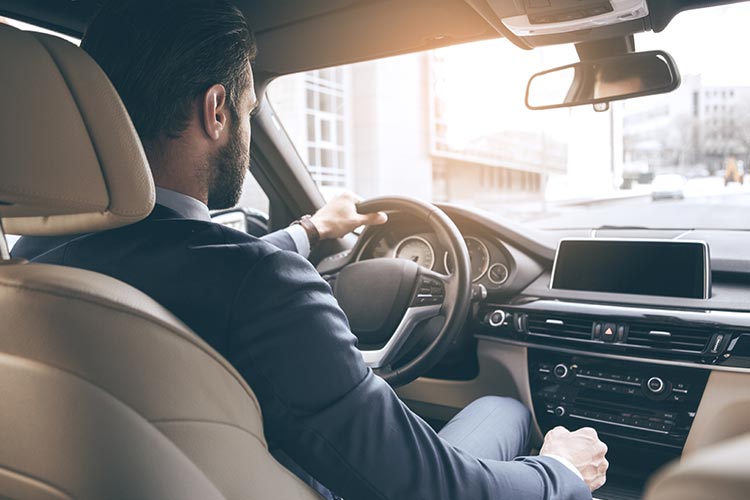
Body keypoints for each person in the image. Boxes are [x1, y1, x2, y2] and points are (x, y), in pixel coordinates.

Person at [11, 1, 608, 499]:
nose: (245, 120)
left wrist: (312, 231)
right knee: (505, 411)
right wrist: (559, 471)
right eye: (248, 109)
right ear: (217, 111)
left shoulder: (34, 258)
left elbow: (182, 271)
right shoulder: (261, 286)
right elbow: (430, 487)